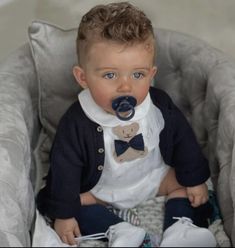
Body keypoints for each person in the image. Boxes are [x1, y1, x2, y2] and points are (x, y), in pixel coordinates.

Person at [36, 2, 217, 247]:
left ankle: (180, 229)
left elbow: (182, 140)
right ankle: (120, 231)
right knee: (69, 203)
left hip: (152, 177)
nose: (125, 86)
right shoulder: (77, 121)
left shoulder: (158, 105)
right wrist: (64, 214)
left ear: (152, 74)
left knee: (189, 189)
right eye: (110, 75)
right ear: (83, 78)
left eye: (138, 74)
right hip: (101, 190)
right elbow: (64, 167)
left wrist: (194, 179)